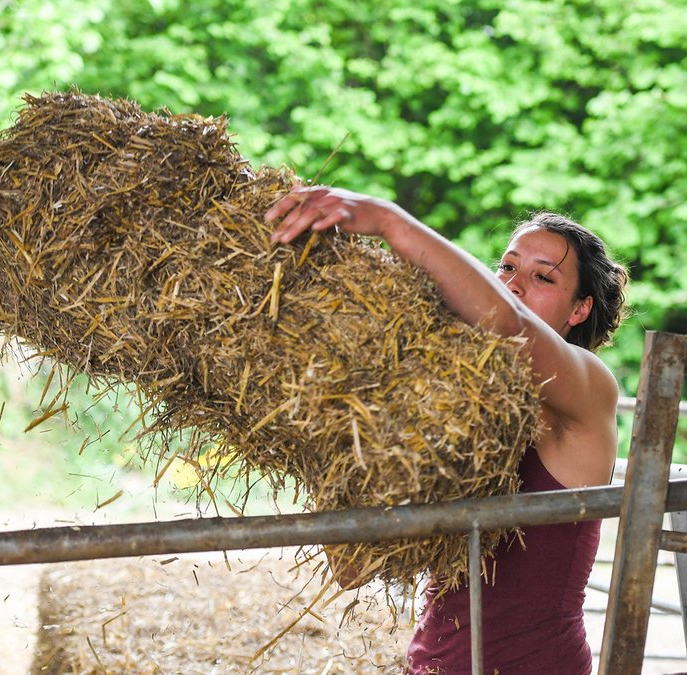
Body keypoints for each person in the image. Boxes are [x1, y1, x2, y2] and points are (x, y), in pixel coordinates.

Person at [266, 186, 630, 674]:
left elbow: (506, 320)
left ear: (580, 310)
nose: (513, 283)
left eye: (543, 276)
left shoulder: (590, 390)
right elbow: (349, 567)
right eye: (506, 266)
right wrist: (338, 427)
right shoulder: (457, 407)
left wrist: (391, 221)